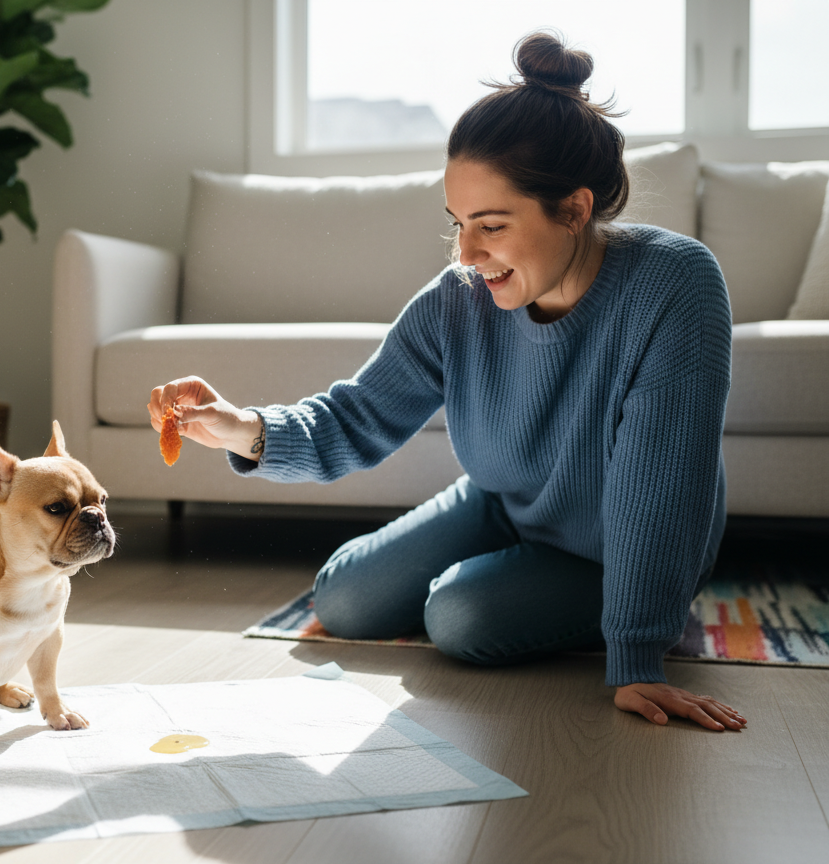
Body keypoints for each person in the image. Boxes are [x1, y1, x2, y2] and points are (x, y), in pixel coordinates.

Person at [147, 31, 745, 732]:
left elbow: (660, 489)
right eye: (458, 223)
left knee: (458, 615)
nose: (466, 252)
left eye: (490, 225)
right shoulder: (456, 298)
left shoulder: (675, 283)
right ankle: (523, 572)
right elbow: (358, 415)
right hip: (508, 504)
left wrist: (639, 654)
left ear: (576, 210)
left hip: (625, 539)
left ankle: (618, 603)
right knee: (344, 597)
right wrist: (242, 427)